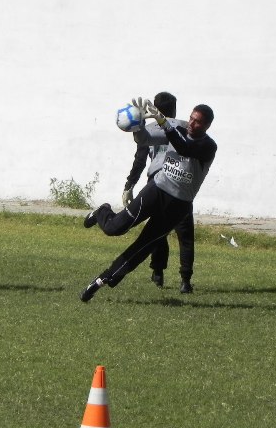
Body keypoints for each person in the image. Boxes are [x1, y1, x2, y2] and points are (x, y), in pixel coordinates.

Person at [80, 102, 216, 302]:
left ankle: (103, 279)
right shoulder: (177, 127)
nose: (192, 124)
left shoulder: (208, 146)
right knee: (115, 228)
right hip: (157, 190)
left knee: (143, 248)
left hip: (178, 207)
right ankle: (102, 211)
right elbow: (144, 139)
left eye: (198, 122)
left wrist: (163, 122)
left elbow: (184, 148)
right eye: (192, 118)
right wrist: (139, 123)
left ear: (207, 126)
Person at [121, 91, 195, 293]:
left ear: (154, 107)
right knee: (185, 234)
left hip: (157, 183)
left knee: (158, 231)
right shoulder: (185, 127)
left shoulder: (150, 128)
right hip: (181, 182)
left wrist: (129, 185)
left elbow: (140, 159)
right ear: (175, 107)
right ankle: (185, 281)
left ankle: (158, 273)